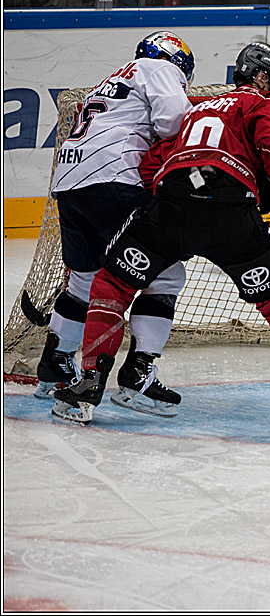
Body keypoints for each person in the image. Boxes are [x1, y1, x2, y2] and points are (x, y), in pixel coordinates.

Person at [51, 42, 270, 439]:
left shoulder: (196, 110)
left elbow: (152, 162)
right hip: (231, 211)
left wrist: (166, 208)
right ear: (257, 77)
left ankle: (89, 383)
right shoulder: (262, 104)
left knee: (112, 284)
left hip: (172, 204)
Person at [37, 31, 196, 419]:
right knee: (167, 274)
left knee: (85, 279)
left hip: (70, 183)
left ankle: (56, 363)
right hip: (115, 181)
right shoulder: (158, 67)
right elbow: (173, 120)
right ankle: (137, 377)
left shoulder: (111, 81)